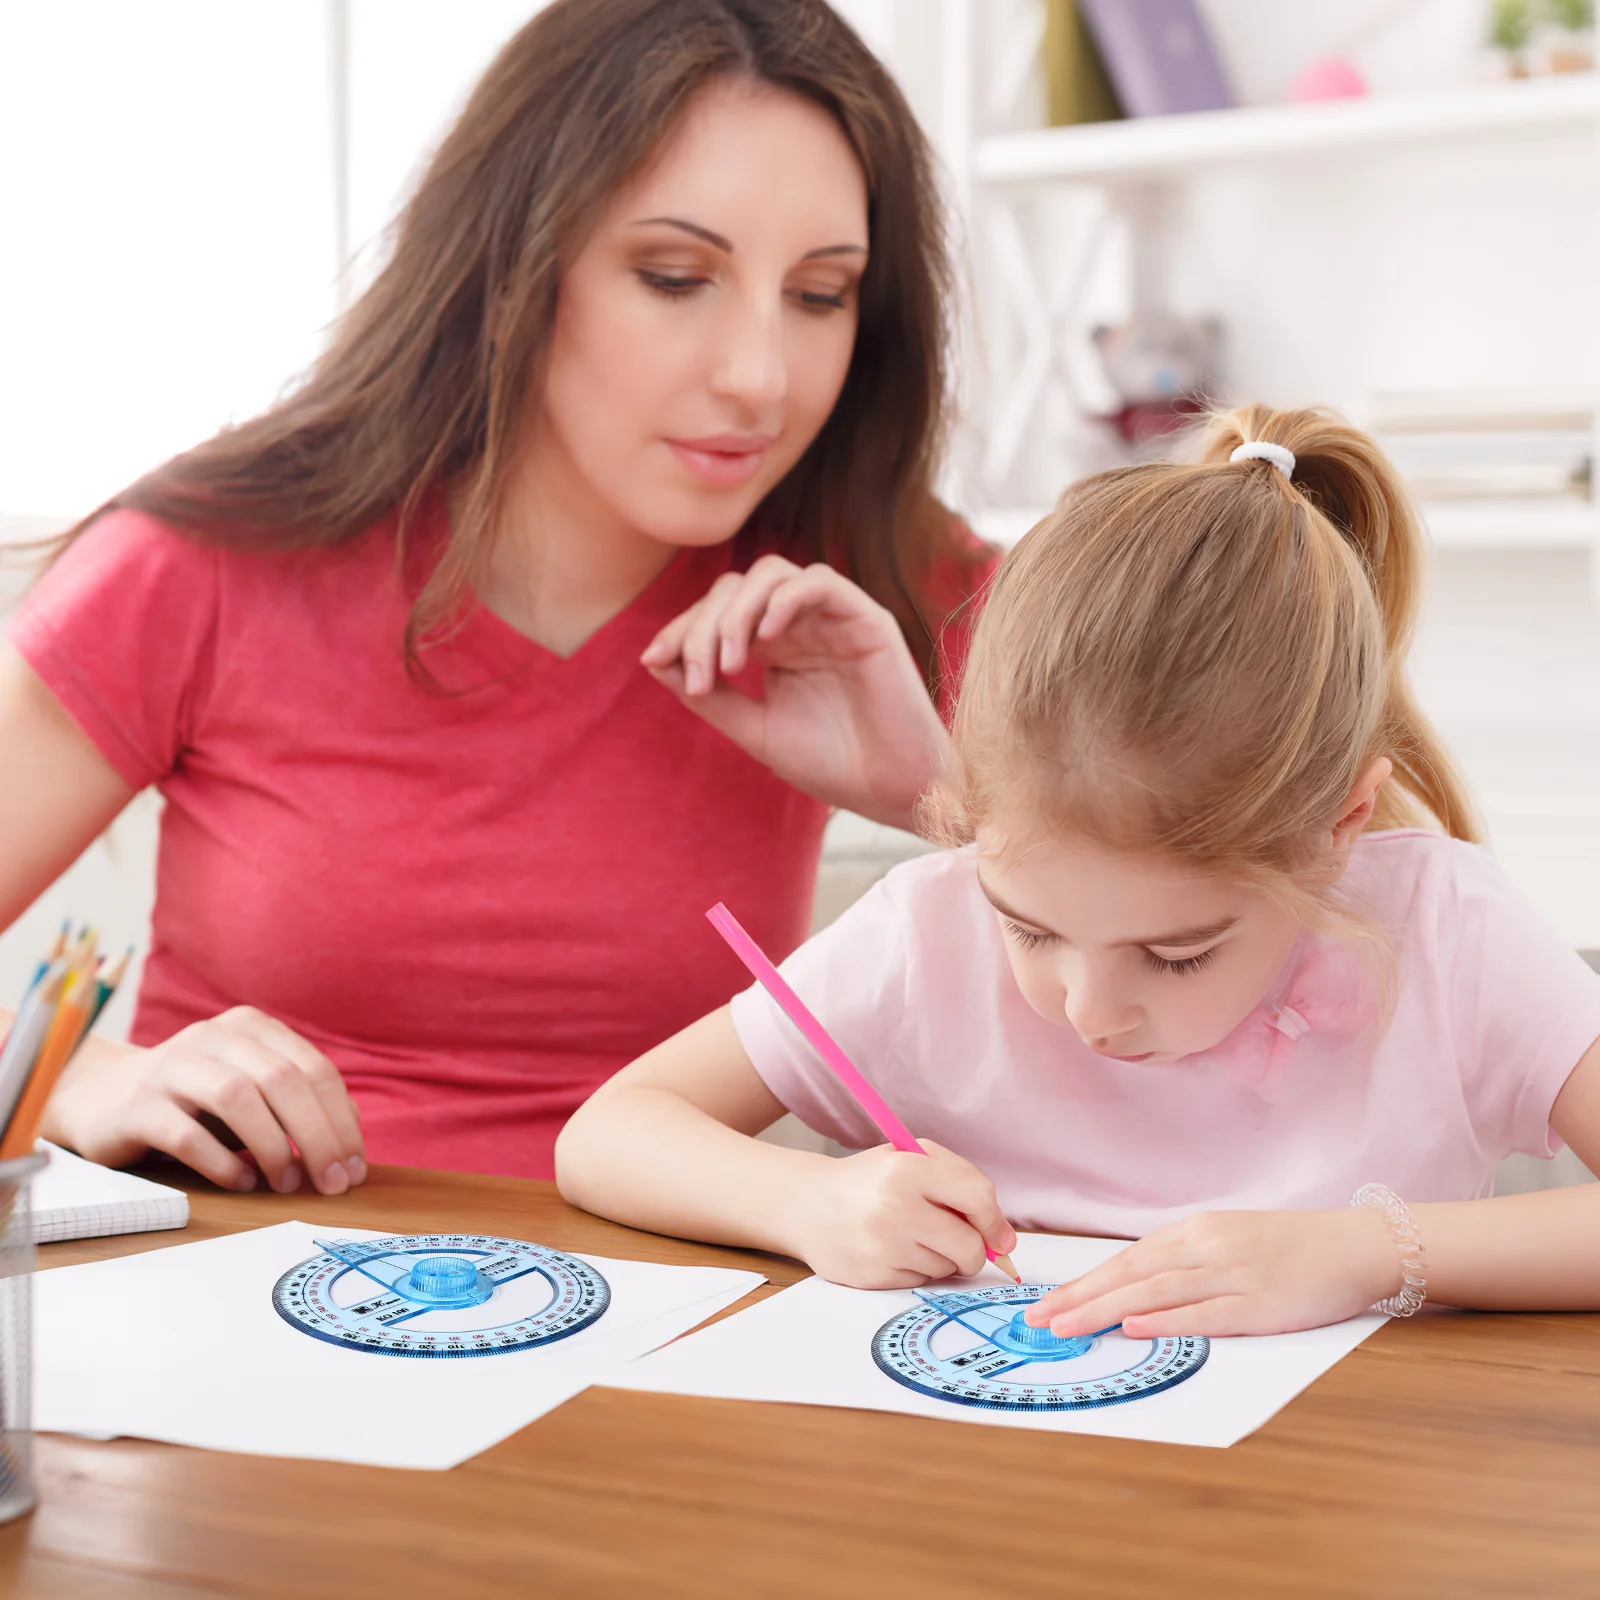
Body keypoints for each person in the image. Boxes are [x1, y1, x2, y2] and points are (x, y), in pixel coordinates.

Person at [5, 0, 990, 1192]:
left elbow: (1226, 953)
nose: (760, 377)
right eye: (675, 277)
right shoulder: (209, 559)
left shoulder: (879, 586)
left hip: (657, 1323)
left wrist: (935, 797)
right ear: (512, 264)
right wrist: (78, 1078)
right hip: (237, 1296)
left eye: (821, 294)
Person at [556, 404, 1600, 1336]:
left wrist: (1371, 1251)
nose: (1089, 1010)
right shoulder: (929, 926)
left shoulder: (1442, 928)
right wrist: (800, 1202)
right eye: (1031, 929)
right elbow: (608, 1135)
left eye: (1176, 954)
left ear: (1339, 827)